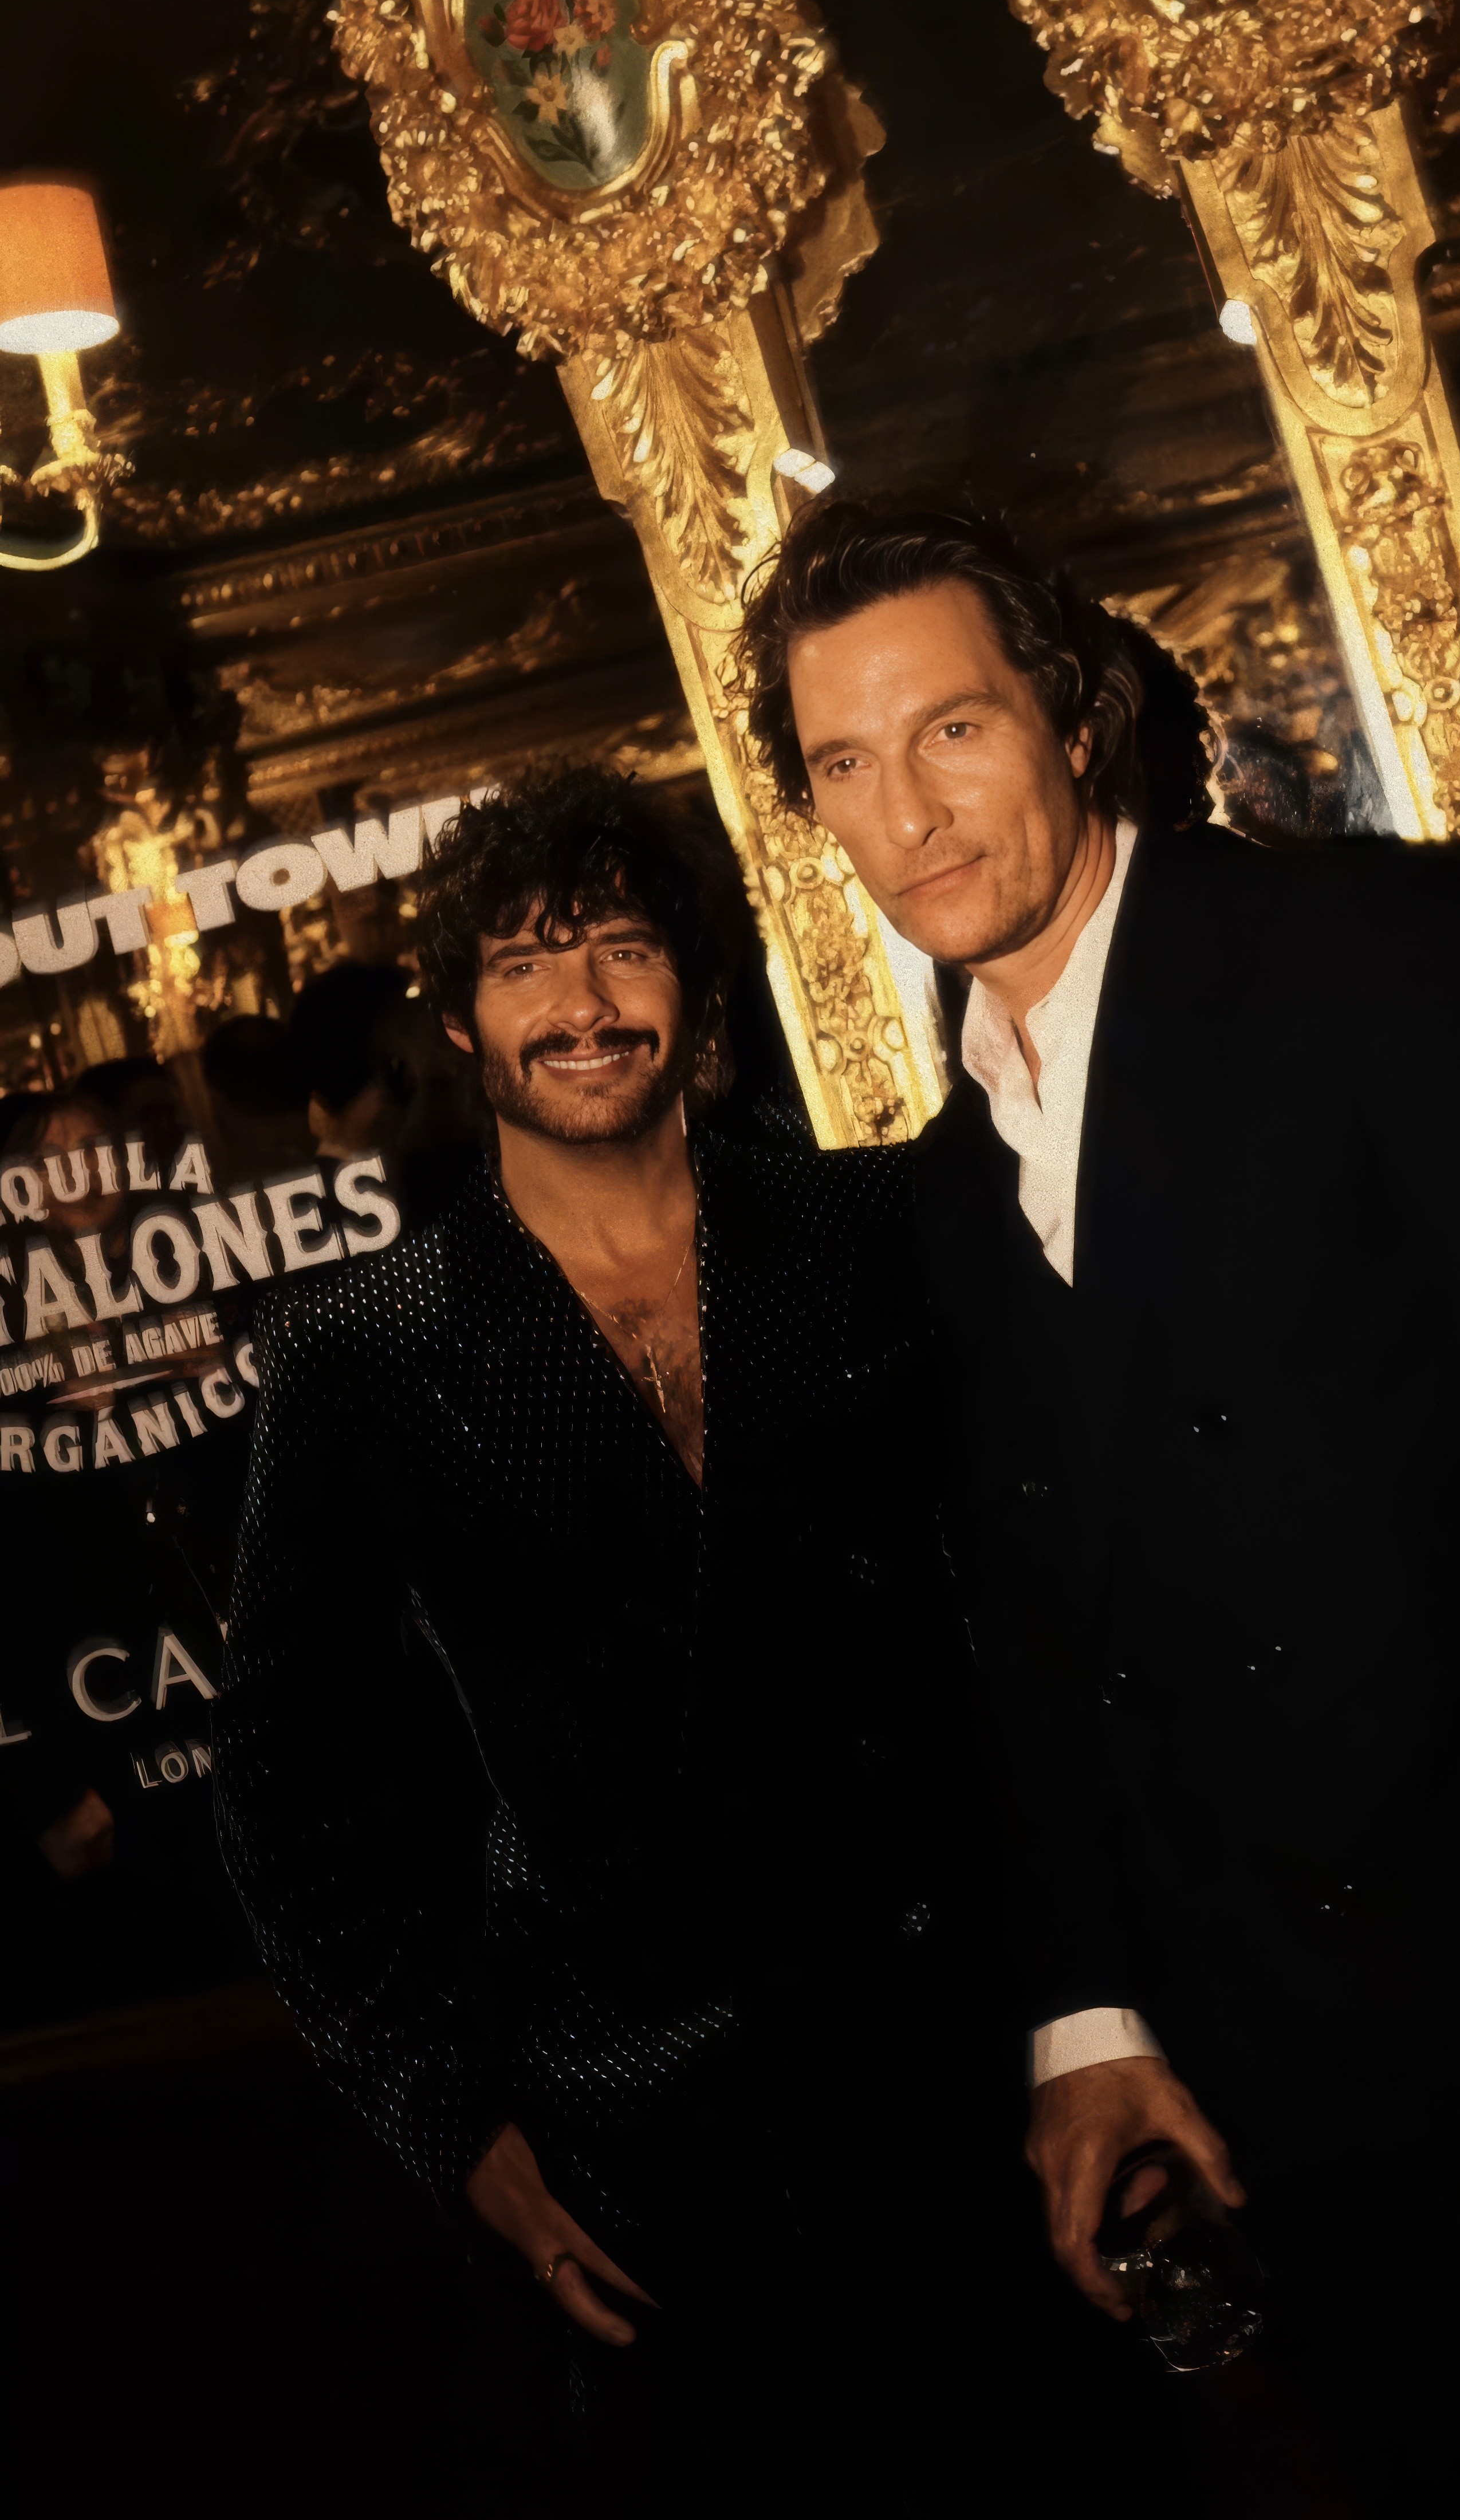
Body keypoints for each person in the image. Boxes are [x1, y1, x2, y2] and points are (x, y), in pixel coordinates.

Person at [737, 498, 1460, 2510]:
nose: (904, 814)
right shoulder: (927, 1197)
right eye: (843, 762)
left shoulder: (1367, 953)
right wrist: (1086, 2020)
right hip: (1283, 2095)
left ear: (1070, 722)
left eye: (951, 732)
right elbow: (1029, 1648)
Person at [214, 767, 1030, 2515]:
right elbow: (293, 1801)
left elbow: (1035, 1627)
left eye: (619, 950)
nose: (581, 1006)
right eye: (526, 964)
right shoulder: (360, 1355)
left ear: (698, 986)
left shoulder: (869, 1241)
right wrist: (458, 2131)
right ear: (459, 1016)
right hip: (639, 2149)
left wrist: (1095, 2004)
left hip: (964, 2074)